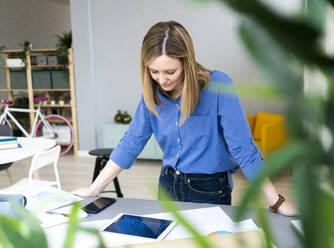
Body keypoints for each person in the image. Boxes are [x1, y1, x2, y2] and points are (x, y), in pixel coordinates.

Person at [72, 21, 296, 216]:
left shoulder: (219, 86)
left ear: (186, 62)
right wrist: (95, 188)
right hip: (167, 184)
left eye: (170, 72)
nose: (162, 80)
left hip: (209, 189)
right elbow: (130, 143)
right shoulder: (152, 94)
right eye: (154, 72)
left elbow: (244, 149)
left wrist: (275, 201)